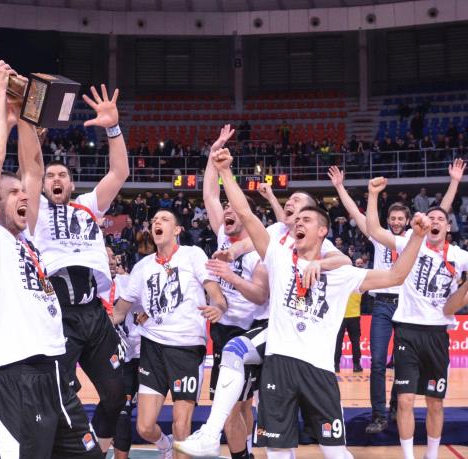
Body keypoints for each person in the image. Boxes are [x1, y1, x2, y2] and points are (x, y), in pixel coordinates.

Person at [181, 148, 428, 459]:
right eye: (295, 219)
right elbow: (245, 213)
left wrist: (417, 238)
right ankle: (210, 434)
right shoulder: (279, 255)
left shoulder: (340, 271)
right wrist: (226, 172)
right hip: (280, 365)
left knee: (336, 453)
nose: (297, 222)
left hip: (319, 371)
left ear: (323, 231)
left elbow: (396, 275)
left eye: (306, 219)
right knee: (277, 450)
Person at [0, 59, 102, 458]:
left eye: (23, 192)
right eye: (12, 193)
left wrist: (25, 112)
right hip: (14, 375)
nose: (24, 194)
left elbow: (33, 169)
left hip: (56, 372)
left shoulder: (28, 237)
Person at [328, 159, 464, 434]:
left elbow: (440, 214)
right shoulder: (381, 237)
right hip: (381, 305)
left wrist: (454, 182)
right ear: (388, 220)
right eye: (393, 218)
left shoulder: (417, 238)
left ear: (409, 221)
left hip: (405, 306)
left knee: (400, 364)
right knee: (378, 362)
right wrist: (341, 188)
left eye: (401, 219)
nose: (397, 222)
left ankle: (395, 406)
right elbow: (357, 213)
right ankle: (379, 415)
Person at [31, 83, 129, 451]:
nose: (56, 179)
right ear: (42, 185)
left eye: (62, 175)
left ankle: (99, 451)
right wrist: (32, 140)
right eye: (50, 176)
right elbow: (29, 171)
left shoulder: (88, 206)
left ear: (72, 183)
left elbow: (119, 172)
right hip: (58, 315)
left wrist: (112, 127)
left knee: (117, 394)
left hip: (94, 314)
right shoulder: (35, 212)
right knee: (59, 394)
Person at [113, 208, 228, 459]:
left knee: (181, 425)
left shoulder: (192, 254)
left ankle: (176, 449)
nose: (157, 222)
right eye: (154, 220)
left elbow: (215, 293)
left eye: (164, 219)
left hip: (186, 347)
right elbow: (121, 309)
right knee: (144, 427)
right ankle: (165, 446)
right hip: (152, 346)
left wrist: (219, 307)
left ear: (176, 229)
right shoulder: (142, 266)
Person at [366, 177, 468, 459]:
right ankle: (409, 456)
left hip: (437, 334)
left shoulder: (458, 256)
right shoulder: (411, 244)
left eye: (441, 219)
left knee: (435, 403)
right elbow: (374, 229)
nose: (435, 221)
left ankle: (431, 455)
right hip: (407, 332)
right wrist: (373, 195)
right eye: (431, 217)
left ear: (448, 227)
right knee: (405, 400)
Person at [200, 124, 270, 459]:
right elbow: (209, 195)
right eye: (225, 208)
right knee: (237, 405)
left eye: (233, 209)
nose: (226, 210)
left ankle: (243, 454)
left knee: (237, 406)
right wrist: (214, 153)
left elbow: (260, 296)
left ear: (247, 217)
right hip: (223, 327)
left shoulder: (259, 253)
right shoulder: (222, 236)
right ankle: (246, 453)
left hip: (248, 331)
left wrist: (231, 276)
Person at [104, 246, 140, 459]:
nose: (111, 261)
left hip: (134, 355)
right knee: (113, 410)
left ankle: (164, 443)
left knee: (125, 411)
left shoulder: (127, 282)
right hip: (107, 358)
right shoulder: (90, 286)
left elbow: (149, 303)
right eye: (106, 257)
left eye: (113, 257)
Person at [333, 258, 365, 373]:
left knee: (338, 341)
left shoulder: (340, 283)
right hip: (354, 316)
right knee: (355, 341)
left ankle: (336, 365)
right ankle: (356, 365)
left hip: (341, 316)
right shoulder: (359, 284)